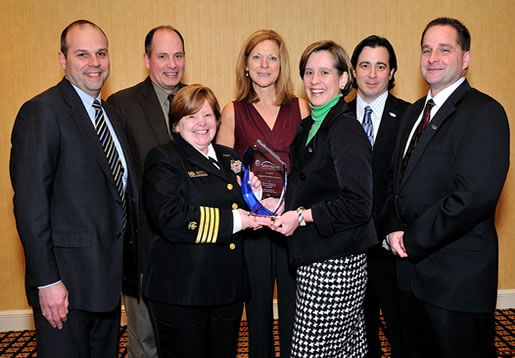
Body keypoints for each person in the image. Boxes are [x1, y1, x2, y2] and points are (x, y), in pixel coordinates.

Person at [9, 20, 138, 357]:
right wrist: (48, 282)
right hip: (65, 287)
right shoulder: (42, 112)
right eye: (82, 54)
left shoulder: (110, 115)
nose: (94, 62)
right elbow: (30, 204)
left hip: (107, 282)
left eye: (101, 53)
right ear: (62, 60)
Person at [383, 17, 509, 358]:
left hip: (456, 282)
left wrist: (411, 238)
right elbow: (396, 182)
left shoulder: (485, 112)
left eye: (444, 49)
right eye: (427, 50)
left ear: (465, 59)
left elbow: (473, 197)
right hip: (409, 276)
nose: (433, 58)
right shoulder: (411, 114)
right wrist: (393, 228)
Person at [142, 85, 267, 358]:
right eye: (192, 116)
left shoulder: (230, 158)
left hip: (227, 288)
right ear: (176, 124)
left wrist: (254, 195)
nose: (202, 123)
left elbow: (240, 204)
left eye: (208, 115)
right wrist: (236, 220)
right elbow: (171, 219)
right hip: (182, 291)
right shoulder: (164, 158)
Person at [271, 40, 376, 358]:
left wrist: (301, 216)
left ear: (344, 79)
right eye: (308, 72)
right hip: (316, 257)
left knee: (308, 351)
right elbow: (309, 186)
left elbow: (359, 204)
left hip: (337, 265)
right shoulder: (308, 126)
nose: (315, 80)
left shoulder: (345, 129)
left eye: (325, 72)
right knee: (347, 351)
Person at [216, 29, 310, 358]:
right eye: (257, 56)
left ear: (281, 65)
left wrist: (289, 204)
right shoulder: (232, 112)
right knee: (256, 314)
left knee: (294, 313)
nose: (264, 64)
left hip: (289, 225)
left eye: (272, 57)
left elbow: (308, 168)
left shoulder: (300, 107)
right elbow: (224, 176)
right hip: (254, 228)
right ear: (245, 65)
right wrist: (250, 197)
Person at [107, 24, 186, 358]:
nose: (172, 64)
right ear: (146, 59)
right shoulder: (122, 104)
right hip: (143, 248)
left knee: (187, 339)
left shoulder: (195, 100)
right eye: (162, 56)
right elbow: (113, 180)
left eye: (178, 55)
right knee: (147, 342)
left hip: (190, 247)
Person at [348, 35, 410, 358]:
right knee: (360, 336)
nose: (372, 74)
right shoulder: (337, 118)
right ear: (353, 71)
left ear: (392, 72)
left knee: (402, 332)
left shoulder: (411, 117)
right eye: (365, 65)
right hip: (349, 248)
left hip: (392, 246)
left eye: (381, 66)